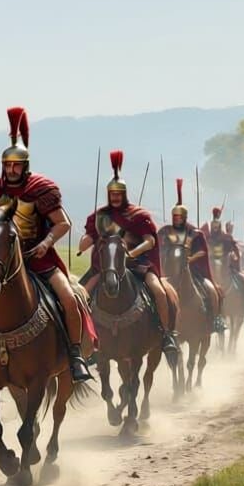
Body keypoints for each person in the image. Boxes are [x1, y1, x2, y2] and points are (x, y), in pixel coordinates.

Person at [0, 107, 91, 382]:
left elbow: (64, 223)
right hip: (1, 261)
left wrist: (46, 243)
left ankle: (75, 355)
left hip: (38, 258)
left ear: (25, 166)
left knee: (70, 299)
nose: (12, 170)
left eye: (16, 166)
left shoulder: (41, 189)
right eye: (8, 166)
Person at [78, 150, 178, 353]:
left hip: (138, 264)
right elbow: (87, 240)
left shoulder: (138, 215)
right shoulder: (100, 216)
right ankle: (83, 342)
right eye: (112, 194)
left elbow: (150, 241)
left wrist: (133, 253)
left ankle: (166, 334)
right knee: (80, 295)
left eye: (118, 194)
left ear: (124, 194)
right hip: (106, 266)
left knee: (159, 291)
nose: (115, 197)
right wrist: (88, 239)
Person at [158, 179, 225, 333]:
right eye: (175, 217)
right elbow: (159, 248)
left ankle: (215, 319)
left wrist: (189, 259)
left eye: (179, 217)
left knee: (210, 290)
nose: (176, 219)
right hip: (169, 270)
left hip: (193, 270)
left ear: (185, 217)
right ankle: (157, 326)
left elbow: (202, 251)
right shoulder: (165, 232)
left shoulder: (194, 233)